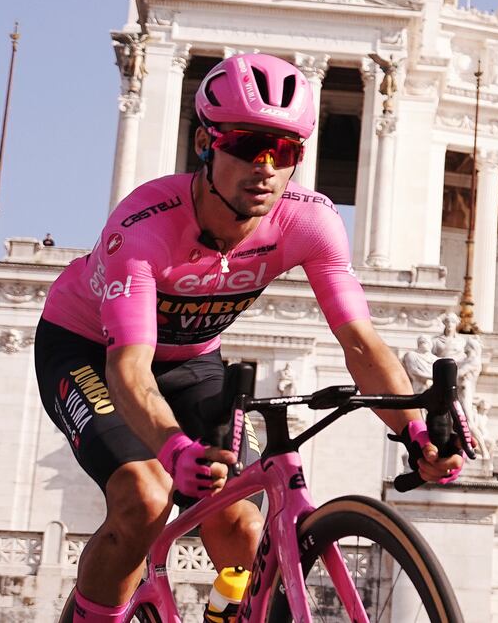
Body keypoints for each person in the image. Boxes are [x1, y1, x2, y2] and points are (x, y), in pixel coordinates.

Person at [35, 52, 467, 623]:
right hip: (91, 350)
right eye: (245, 144)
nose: (264, 167)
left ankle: (227, 612)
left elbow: (360, 342)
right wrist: (173, 449)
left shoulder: (310, 222)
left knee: (239, 519)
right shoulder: (143, 230)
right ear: (204, 144)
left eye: (284, 151)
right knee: (144, 497)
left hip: (193, 359)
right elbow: (130, 371)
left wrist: (414, 431)